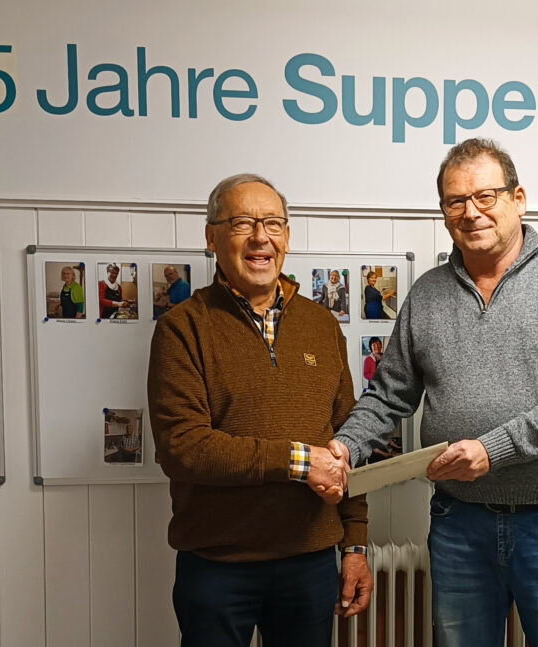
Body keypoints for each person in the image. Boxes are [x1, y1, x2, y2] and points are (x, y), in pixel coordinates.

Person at [332, 138, 538, 646]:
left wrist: (491, 450)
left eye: (485, 196)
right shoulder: (427, 293)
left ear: (518, 199)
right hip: (458, 522)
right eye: (455, 201)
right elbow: (389, 394)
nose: (471, 212)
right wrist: (345, 446)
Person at [147, 172, 372, 647]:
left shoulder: (321, 324)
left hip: (311, 563)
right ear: (211, 238)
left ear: (286, 237)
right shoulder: (182, 328)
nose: (260, 237)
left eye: (272, 223)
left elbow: (346, 438)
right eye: (242, 223)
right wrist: (298, 461)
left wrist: (354, 543)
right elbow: (183, 448)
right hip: (217, 566)